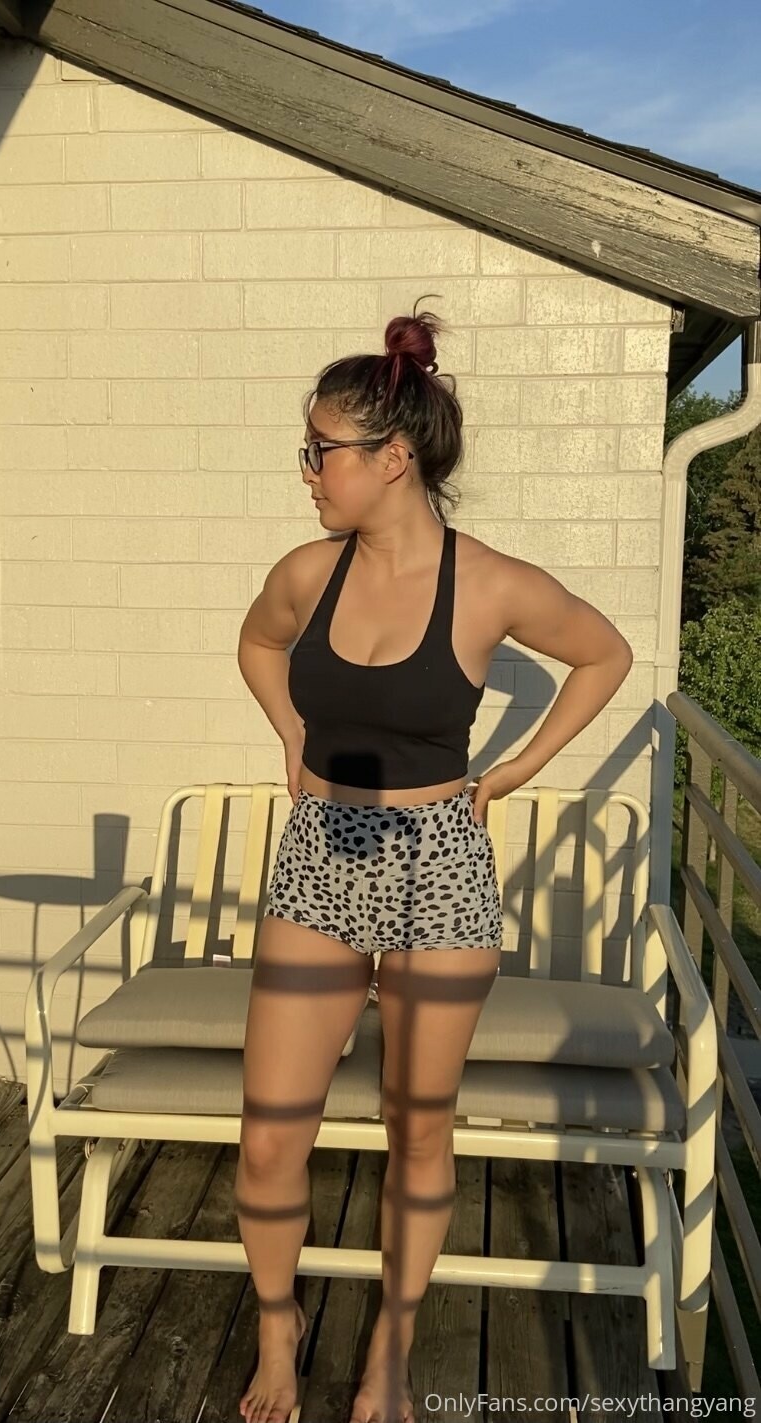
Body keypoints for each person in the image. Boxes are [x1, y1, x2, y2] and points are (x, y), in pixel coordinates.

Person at [234, 298, 631, 1423]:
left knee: (418, 1128)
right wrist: (292, 734)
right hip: (320, 861)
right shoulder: (307, 574)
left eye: (323, 449)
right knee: (270, 1136)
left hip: (439, 874)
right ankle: (278, 1327)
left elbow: (603, 653)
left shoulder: (488, 583)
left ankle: (391, 1353)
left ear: (393, 457)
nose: (308, 470)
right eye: (308, 447)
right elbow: (259, 642)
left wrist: (509, 772)